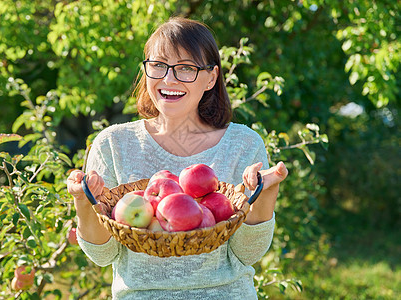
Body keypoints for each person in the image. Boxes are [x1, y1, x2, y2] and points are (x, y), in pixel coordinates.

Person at [67, 17, 288, 300]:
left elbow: (248, 253)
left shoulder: (242, 145)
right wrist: (83, 201)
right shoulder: (113, 145)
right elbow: (103, 253)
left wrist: (266, 194)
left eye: (186, 68)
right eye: (158, 65)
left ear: (211, 78)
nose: (168, 79)